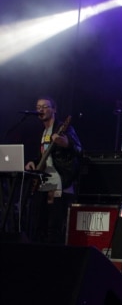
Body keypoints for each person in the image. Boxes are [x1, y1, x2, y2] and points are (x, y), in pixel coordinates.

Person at [24, 97, 82, 244]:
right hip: (43, 183)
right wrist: (33, 163)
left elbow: (78, 150)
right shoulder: (43, 132)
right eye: (38, 107)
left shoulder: (64, 128)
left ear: (54, 109)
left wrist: (65, 143)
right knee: (38, 226)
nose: (40, 110)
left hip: (59, 182)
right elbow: (45, 157)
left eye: (45, 106)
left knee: (54, 228)